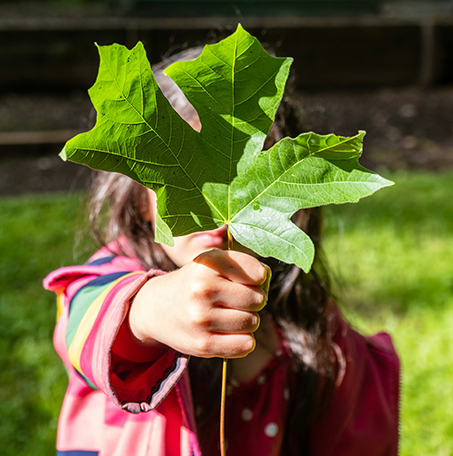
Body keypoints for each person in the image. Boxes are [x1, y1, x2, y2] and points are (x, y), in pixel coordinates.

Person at [43, 48, 399, 456]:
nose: (216, 206)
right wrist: (151, 311)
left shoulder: (311, 322)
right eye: (184, 183)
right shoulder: (110, 278)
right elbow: (86, 322)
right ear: (140, 199)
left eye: (245, 177)